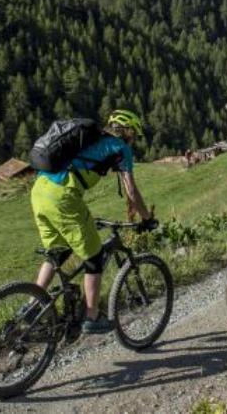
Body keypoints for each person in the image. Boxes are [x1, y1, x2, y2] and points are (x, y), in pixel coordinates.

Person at [29, 109, 157, 334]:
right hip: (62, 196)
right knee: (94, 256)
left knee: (57, 251)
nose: (133, 139)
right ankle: (91, 316)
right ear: (126, 131)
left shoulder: (89, 140)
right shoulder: (120, 148)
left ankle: (33, 305)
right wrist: (147, 219)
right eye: (133, 134)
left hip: (39, 190)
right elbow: (132, 191)